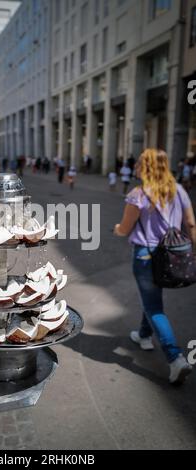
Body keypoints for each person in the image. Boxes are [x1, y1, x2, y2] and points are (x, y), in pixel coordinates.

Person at [114, 148, 196, 384]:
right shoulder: (179, 189)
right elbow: (190, 223)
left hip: (146, 254)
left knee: (154, 306)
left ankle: (175, 358)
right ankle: (144, 335)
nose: (137, 165)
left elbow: (125, 228)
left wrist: (117, 229)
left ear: (145, 166)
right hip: (172, 254)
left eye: (140, 162)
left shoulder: (138, 194)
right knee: (151, 298)